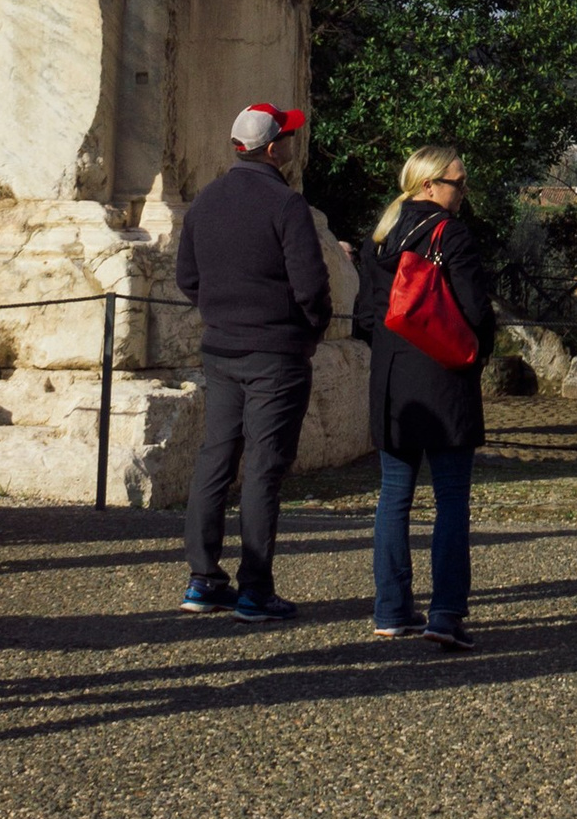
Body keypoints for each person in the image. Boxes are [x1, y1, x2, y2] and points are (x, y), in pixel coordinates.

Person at [175, 100, 331, 623]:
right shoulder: (286, 205)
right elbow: (310, 284)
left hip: (221, 348)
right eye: (287, 136)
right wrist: (311, 328)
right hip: (275, 352)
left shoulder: (205, 201)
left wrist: (221, 313)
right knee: (264, 468)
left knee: (215, 458)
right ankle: (256, 588)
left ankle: (203, 577)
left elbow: (188, 277)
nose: (292, 143)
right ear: (272, 149)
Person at [355, 144, 495, 653]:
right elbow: (476, 311)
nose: (464, 192)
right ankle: (445, 612)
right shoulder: (451, 235)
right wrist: (477, 355)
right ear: (429, 185)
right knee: (451, 497)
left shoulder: (380, 238)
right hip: (443, 380)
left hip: (393, 383)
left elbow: (364, 318)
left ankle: (391, 609)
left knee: (394, 496)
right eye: (458, 182)